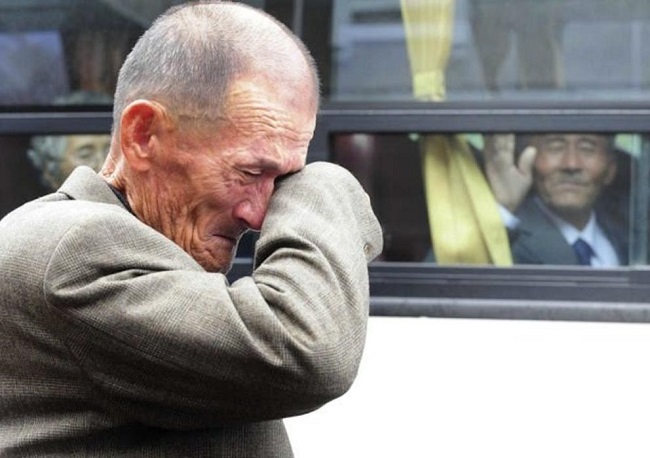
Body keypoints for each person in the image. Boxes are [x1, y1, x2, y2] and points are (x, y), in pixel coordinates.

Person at [0, 2, 383, 456]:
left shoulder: (109, 243)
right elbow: (306, 350)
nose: (260, 216)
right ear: (143, 135)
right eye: (249, 172)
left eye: (283, 181)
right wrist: (325, 180)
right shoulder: (77, 250)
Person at [483, 132, 627, 266]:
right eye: (555, 147)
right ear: (528, 159)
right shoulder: (511, 235)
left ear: (610, 169)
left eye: (587, 149)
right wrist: (505, 208)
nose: (571, 164)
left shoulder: (630, 236)